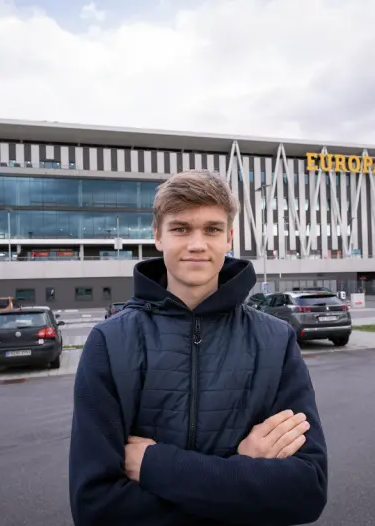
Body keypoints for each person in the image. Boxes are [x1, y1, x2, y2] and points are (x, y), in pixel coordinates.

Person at [69, 169, 328, 525]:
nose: (197, 244)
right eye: (180, 229)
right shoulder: (110, 343)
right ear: (157, 235)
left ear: (229, 237)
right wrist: (242, 473)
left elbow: (306, 491)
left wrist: (157, 466)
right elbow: (96, 508)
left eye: (212, 229)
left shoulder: (276, 340)